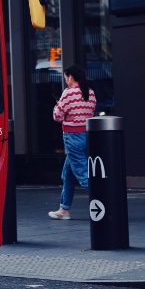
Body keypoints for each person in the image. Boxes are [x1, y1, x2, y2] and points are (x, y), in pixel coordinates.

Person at [48, 64, 98, 219]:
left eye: (66, 78)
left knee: (83, 175)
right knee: (67, 175)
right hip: (87, 136)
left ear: (70, 76)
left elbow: (57, 116)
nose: (66, 81)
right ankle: (64, 209)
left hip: (72, 137)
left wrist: (57, 105)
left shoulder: (68, 93)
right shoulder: (90, 92)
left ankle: (107, 200)